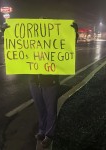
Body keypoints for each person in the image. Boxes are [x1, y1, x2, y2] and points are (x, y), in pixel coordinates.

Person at [29, 21, 78, 149]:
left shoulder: (54, 43)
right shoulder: (32, 43)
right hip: (34, 82)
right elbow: (16, 47)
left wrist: (74, 33)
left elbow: (68, 46)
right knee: (41, 109)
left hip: (50, 82)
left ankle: (49, 135)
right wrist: (6, 33)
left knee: (50, 111)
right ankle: (42, 131)